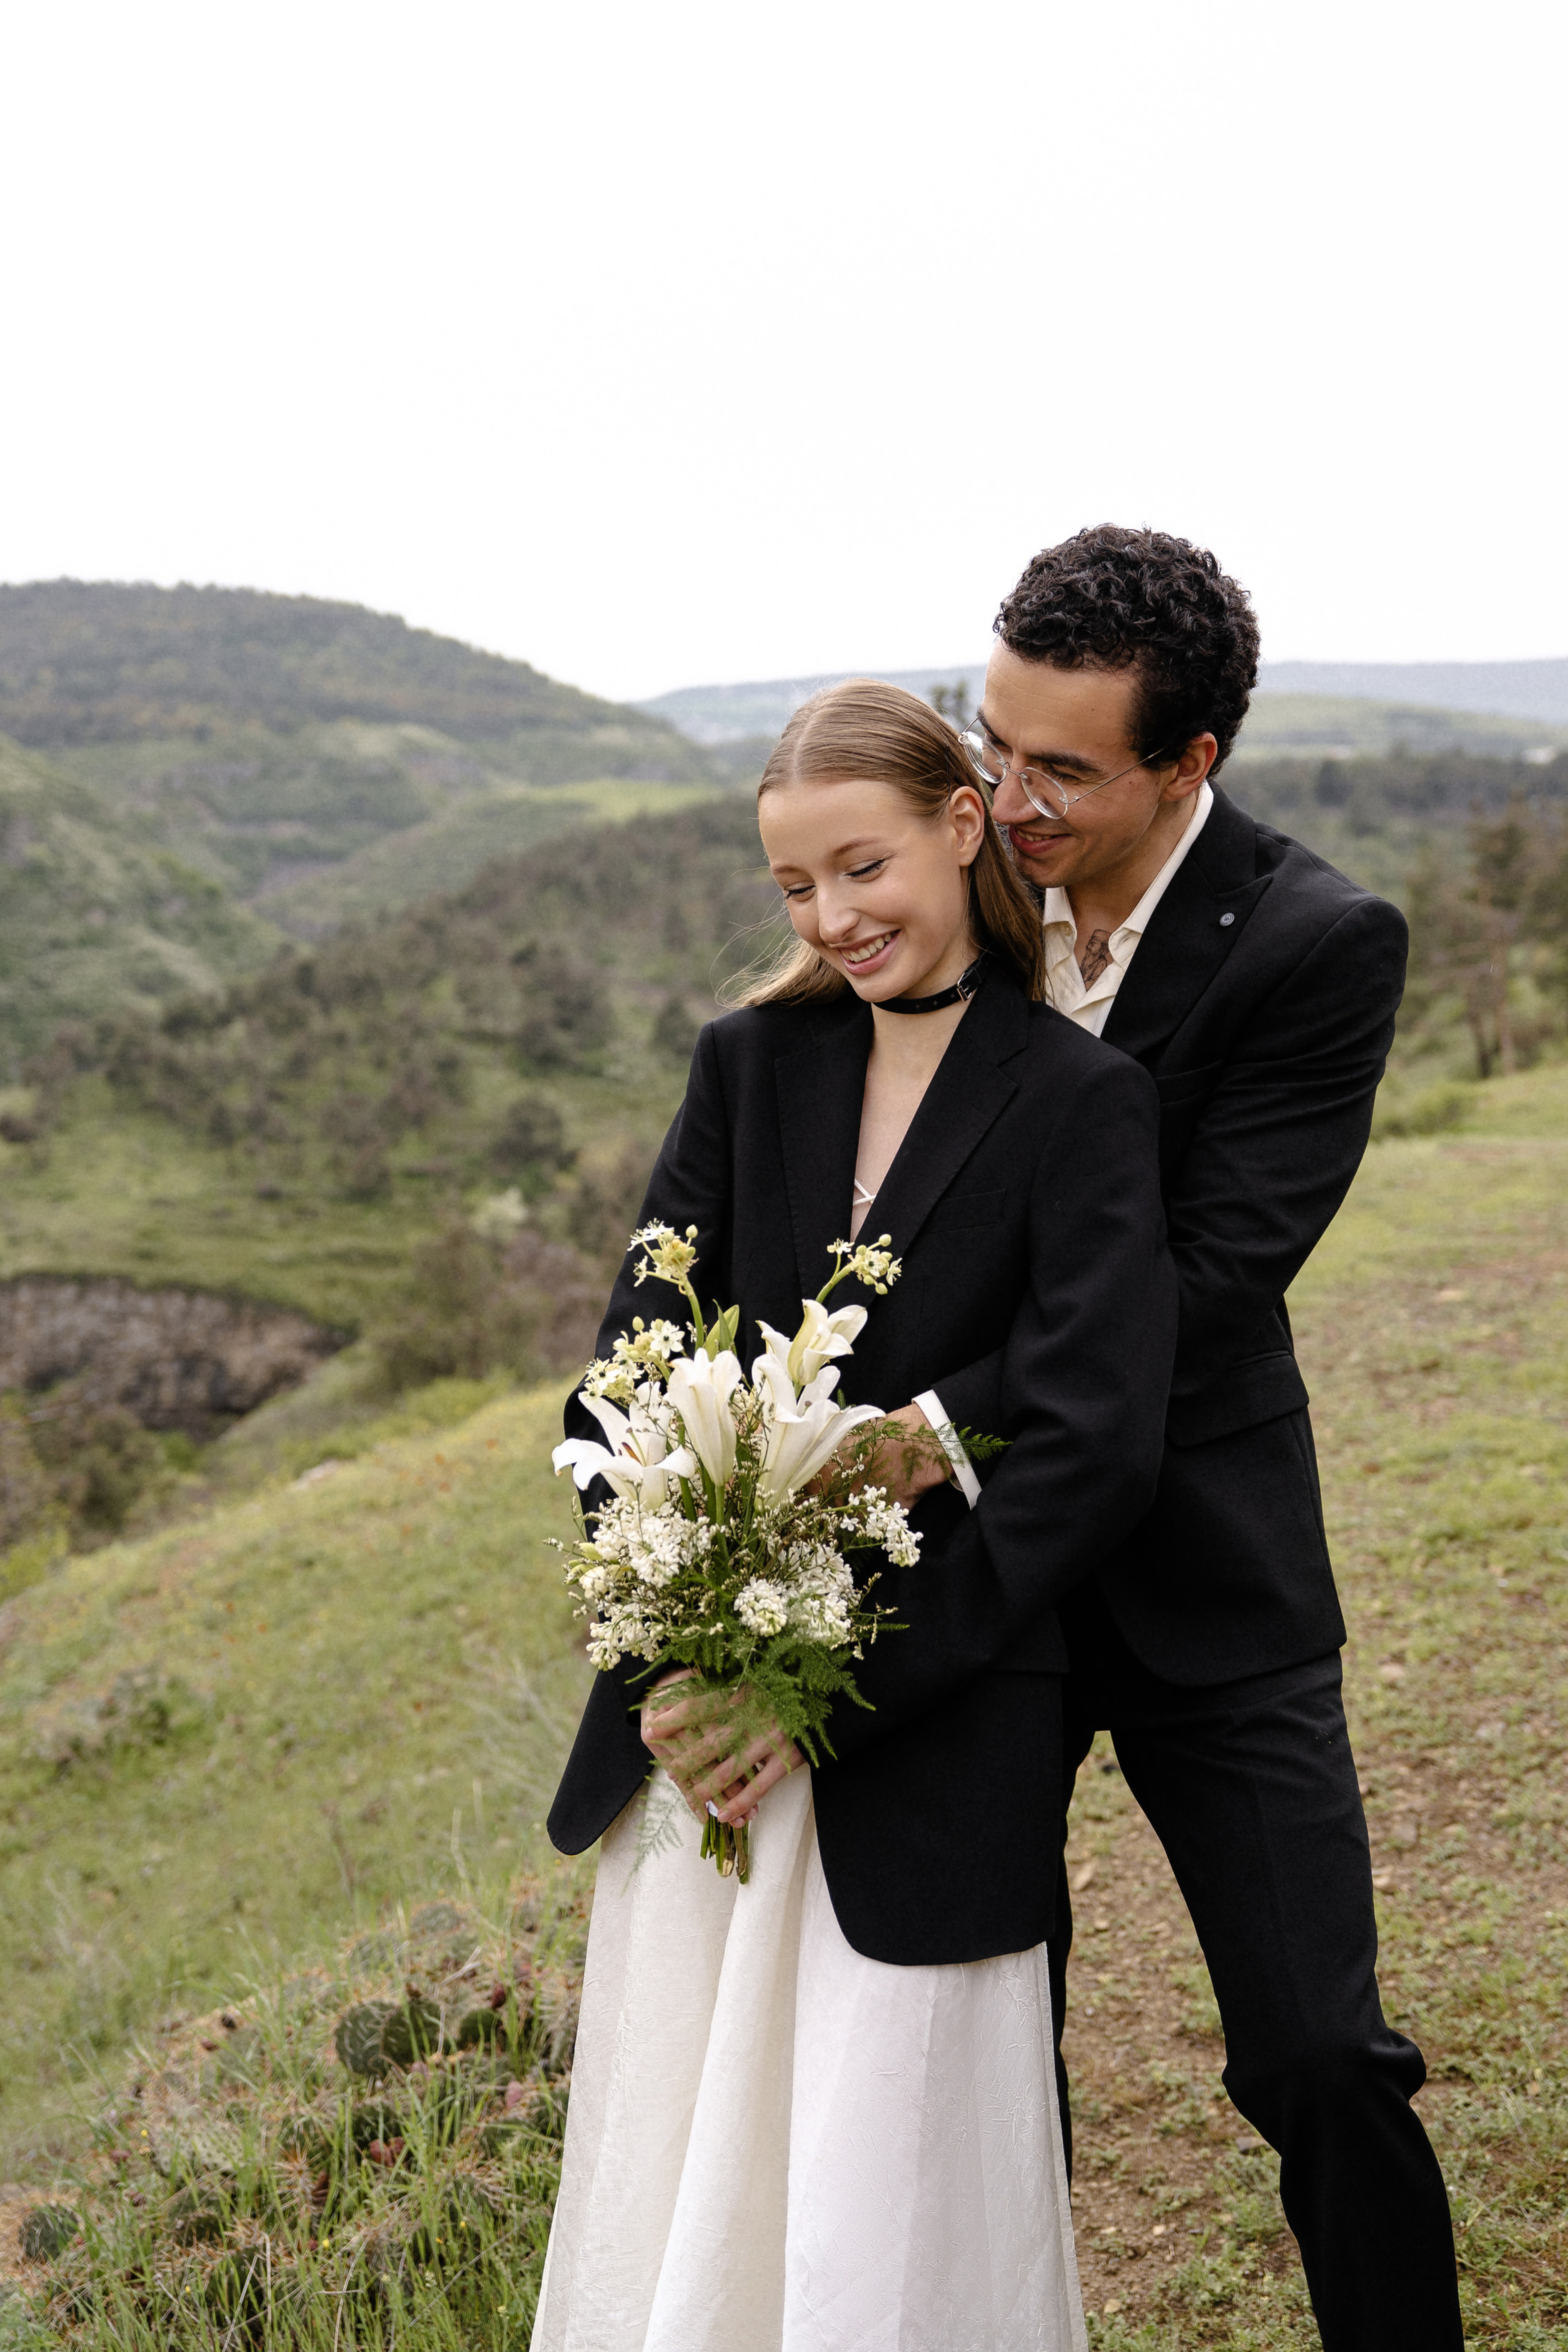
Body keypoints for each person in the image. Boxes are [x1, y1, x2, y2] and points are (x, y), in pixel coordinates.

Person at [532, 680, 1178, 2352]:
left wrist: (821, 1701)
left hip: (934, 1735)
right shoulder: (746, 1064)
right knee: (693, 2185)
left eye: (863, 867)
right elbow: (627, 1376)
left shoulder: (1082, 1100)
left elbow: (1095, 1443)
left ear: (966, 828)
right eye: (796, 888)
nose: (834, 917)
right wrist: (674, 1643)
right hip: (695, 1754)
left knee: (886, 2217)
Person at [935, 524, 1463, 2350]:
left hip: (1208, 1566)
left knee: (1320, 2049)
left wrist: (943, 1412)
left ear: (1192, 763)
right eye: (989, 738)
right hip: (984, 1584)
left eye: (1059, 769)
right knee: (977, 2043)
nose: (1004, 800)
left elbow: (1209, 1284)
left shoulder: (1320, 944)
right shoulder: (961, 877)